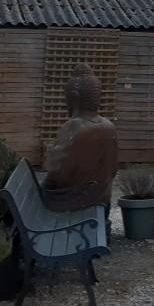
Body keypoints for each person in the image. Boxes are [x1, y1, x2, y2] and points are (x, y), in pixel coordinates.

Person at [43, 63, 118, 212]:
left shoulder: (74, 127)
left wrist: (51, 154)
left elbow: (57, 175)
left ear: (74, 97)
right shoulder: (109, 126)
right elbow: (113, 170)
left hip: (73, 201)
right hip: (102, 199)